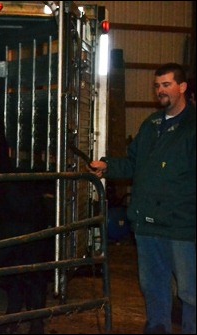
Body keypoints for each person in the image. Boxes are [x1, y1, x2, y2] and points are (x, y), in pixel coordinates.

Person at [89, 63, 195, 334]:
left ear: (182, 87)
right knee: (153, 287)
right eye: (157, 86)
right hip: (147, 225)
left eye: (167, 85)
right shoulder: (151, 124)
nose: (160, 91)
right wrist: (108, 166)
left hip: (182, 226)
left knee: (190, 291)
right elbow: (133, 164)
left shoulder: (192, 128)